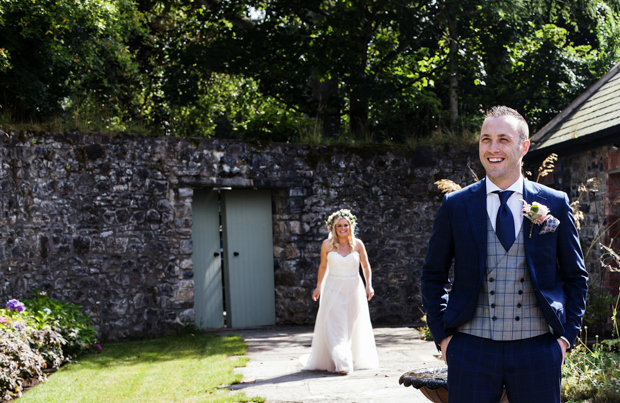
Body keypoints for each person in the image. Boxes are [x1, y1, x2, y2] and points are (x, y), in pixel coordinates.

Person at [421, 106, 588, 403]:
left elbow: (576, 277)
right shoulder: (456, 205)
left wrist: (564, 339)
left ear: (524, 147)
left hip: (538, 349)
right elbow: (433, 275)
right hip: (471, 349)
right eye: (486, 139)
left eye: (503, 139)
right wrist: (445, 338)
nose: (492, 148)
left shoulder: (554, 203)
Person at [301, 209, 379, 374]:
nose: (343, 228)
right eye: (339, 226)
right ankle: (342, 362)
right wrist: (318, 287)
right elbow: (323, 266)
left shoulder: (358, 244)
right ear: (333, 228)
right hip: (333, 288)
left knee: (350, 326)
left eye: (346, 225)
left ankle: (348, 356)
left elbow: (365, 266)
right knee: (333, 325)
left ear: (351, 226)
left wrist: (369, 285)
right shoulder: (326, 245)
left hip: (353, 289)